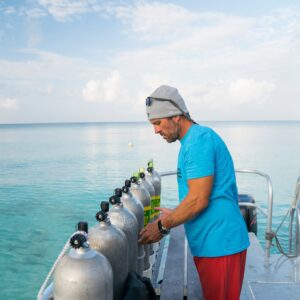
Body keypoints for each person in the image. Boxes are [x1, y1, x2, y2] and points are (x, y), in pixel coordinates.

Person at [138, 85, 250, 300]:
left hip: (220, 243)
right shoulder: (192, 141)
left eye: (158, 123)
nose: (156, 131)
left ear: (176, 116)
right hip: (210, 242)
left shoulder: (199, 141)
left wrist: (162, 226)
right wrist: (175, 213)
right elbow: (197, 196)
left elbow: (199, 199)